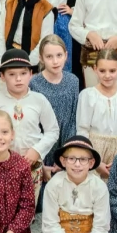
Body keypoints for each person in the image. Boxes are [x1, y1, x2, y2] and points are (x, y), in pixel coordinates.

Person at [0, 49, 60, 197]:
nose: (18, 79)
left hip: (31, 164)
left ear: (31, 74)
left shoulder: (39, 100)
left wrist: (37, 150)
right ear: (2, 76)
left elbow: (52, 130)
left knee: (27, 209)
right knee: (0, 205)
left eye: (23, 73)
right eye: (12, 74)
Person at [35, 136, 115, 233]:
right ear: (63, 161)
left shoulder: (99, 187)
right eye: (71, 158)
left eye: (83, 159)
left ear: (91, 163)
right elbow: (50, 222)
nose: (77, 164)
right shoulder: (54, 184)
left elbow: (101, 226)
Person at [76, 49, 117, 175]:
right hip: (94, 152)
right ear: (95, 69)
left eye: (112, 71)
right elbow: (83, 130)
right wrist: (95, 161)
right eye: (102, 71)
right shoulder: (87, 95)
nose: (107, 75)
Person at [30, 35, 79, 169]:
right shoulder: (34, 83)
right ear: (41, 58)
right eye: (49, 57)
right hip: (42, 142)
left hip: (66, 141)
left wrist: (66, 152)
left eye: (59, 55)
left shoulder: (73, 81)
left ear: (66, 55)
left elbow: (73, 119)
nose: (55, 61)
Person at [0, 0, 55, 66]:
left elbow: (44, 41)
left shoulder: (46, 10)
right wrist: (1, 61)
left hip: (33, 63)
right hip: (9, 58)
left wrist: (28, 63)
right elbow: (0, 34)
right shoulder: (9, 4)